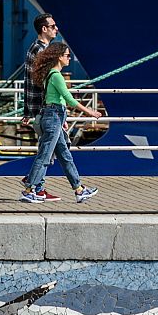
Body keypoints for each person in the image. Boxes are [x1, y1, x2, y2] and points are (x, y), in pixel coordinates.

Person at [19, 42, 101, 203]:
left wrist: (62, 120)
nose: (69, 58)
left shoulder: (50, 74)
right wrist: (89, 112)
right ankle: (29, 190)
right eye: (67, 55)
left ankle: (79, 189)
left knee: (65, 156)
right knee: (44, 156)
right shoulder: (56, 76)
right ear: (59, 57)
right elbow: (68, 99)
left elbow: (56, 99)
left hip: (55, 117)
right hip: (54, 116)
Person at [21, 13, 60, 201]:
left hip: (39, 109)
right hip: (45, 109)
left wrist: (27, 111)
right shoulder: (41, 51)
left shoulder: (36, 48)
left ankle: (35, 183)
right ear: (44, 29)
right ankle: (34, 186)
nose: (56, 29)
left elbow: (27, 83)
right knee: (49, 149)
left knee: (50, 148)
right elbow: (41, 84)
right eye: (53, 26)